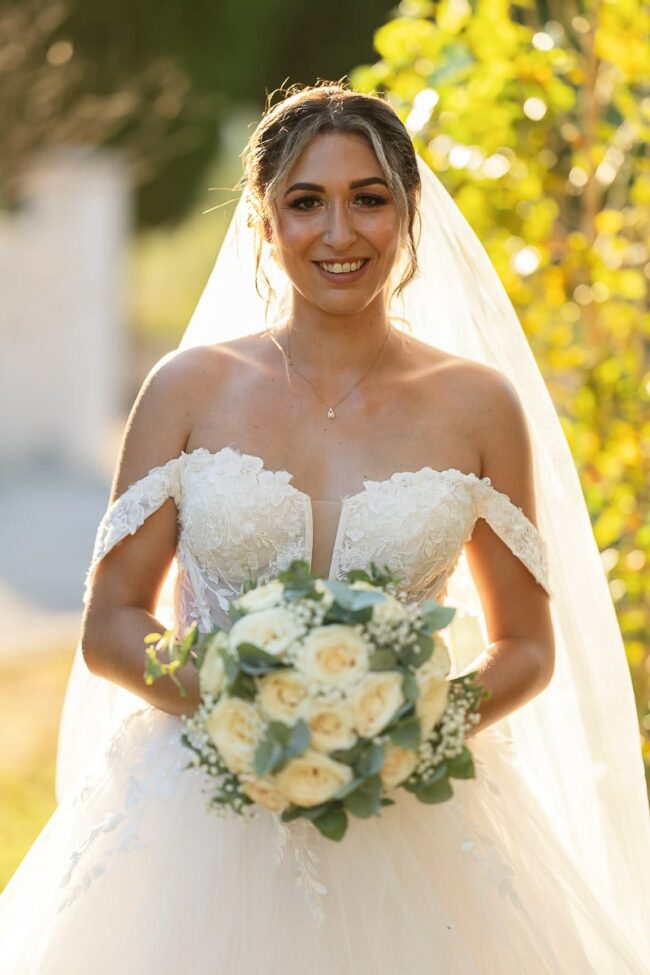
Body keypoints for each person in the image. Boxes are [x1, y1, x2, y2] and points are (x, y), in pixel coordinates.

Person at [0, 82, 648, 974]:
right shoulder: (185, 391)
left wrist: (409, 728)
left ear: (408, 214)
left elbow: (526, 644)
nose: (339, 233)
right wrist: (251, 712)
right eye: (306, 203)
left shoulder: (477, 405)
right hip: (196, 817)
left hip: (418, 820)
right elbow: (112, 622)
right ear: (265, 223)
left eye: (368, 199)